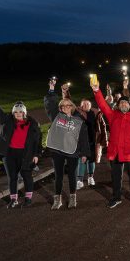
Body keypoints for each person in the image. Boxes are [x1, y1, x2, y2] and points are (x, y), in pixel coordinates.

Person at [92, 80, 130, 208]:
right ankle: (116, 197)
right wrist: (96, 91)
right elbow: (103, 105)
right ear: (118, 105)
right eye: (121, 102)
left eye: (125, 102)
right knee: (116, 177)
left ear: (129, 105)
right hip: (115, 151)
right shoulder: (112, 115)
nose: (123, 104)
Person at [0, 94, 41, 208]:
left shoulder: (33, 124)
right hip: (9, 153)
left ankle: (28, 199)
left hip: (25, 154)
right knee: (12, 177)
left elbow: (37, 141)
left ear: (24, 112)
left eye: (20, 112)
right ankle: (13, 199)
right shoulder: (8, 120)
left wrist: (36, 154)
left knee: (26, 175)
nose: (18, 114)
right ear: (13, 113)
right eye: (16, 112)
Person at [44, 80, 90, 210]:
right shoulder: (56, 116)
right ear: (60, 108)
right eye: (63, 106)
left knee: (72, 175)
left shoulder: (78, 120)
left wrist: (85, 153)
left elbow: (83, 138)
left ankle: (73, 197)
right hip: (58, 150)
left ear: (72, 107)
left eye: (68, 105)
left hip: (72, 150)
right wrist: (51, 89)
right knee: (58, 175)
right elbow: (49, 104)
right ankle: (57, 199)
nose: (65, 108)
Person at [75, 99, 97, 189]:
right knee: (81, 160)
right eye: (83, 104)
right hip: (81, 141)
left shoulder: (95, 113)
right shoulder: (78, 113)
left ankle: (90, 177)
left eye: (88, 104)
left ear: (90, 105)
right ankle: (79, 180)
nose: (86, 105)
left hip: (92, 141)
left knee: (91, 160)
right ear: (81, 105)